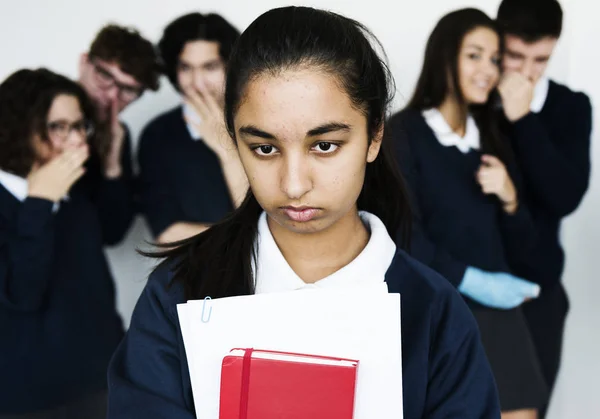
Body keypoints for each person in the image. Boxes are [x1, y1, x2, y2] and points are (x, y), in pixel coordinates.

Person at [107, 6, 500, 418]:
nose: (294, 185)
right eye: (264, 148)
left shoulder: (434, 313)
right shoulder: (179, 293)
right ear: (233, 140)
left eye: (324, 145)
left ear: (374, 136)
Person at [388, 9, 547, 419]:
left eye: (494, 59)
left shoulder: (494, 136)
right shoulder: (403, 135)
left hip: (499, 316)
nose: (488, 70)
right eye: (474, 55)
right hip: (435, 307)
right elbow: (404, 236)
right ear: (445, 57)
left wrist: (511, 197)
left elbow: (526, 246)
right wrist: (470, 280)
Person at [0, 69, 128, 418]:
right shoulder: (35, 195)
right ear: (18, 127)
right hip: (29, 399)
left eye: (79, 126)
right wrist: (40, 203)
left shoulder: (74, 189)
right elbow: (22, 294)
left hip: (104, 380)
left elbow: (113, 232)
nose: (76, 141)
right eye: (58, 127)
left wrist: (114, 161)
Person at [496, 1, 592, 417]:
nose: (526, 72)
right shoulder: (475, 98)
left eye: (540, 60)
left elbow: (565, 197)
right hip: (473, 284)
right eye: (514, 56)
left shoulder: (571, 107)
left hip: (539, 290)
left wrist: (523, 120)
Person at [138, 13, 248, 243]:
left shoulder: (258, 123)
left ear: (230, 67)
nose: (197, 83)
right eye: (186, 68)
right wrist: (244, 239)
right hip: (190, 274)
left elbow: (269, 220)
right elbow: (167, 232)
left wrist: (225, 148)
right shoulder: (158, 135)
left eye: (210, 67)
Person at [79, 24, 162, 234]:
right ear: (84, 63)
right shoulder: (34, 103)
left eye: (128, 89)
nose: (111, 96)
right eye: (105, 76)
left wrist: (112, 164)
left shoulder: (118, 135)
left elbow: (112, 232)